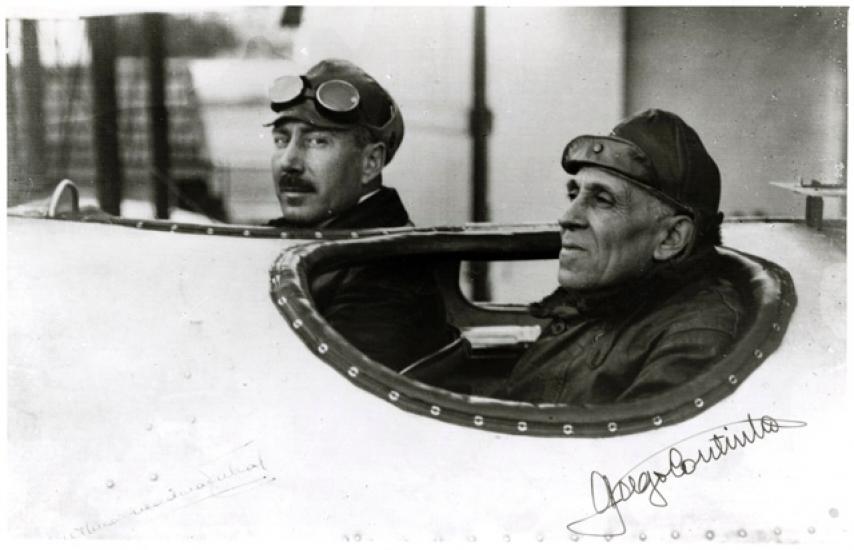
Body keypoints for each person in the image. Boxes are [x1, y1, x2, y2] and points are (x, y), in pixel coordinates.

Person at [496, 109, 746, 405]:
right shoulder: (602, 296)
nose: (567, 217)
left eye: (602, 200)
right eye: (573, 195)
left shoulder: (697, 334)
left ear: (670, 238)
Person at [264, 58, 452, 370]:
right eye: (282, 140)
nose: (289, 161)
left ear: (370, 163)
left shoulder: (391, 272)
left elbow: (312, 386)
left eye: (317, 141)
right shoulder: (298, 240)